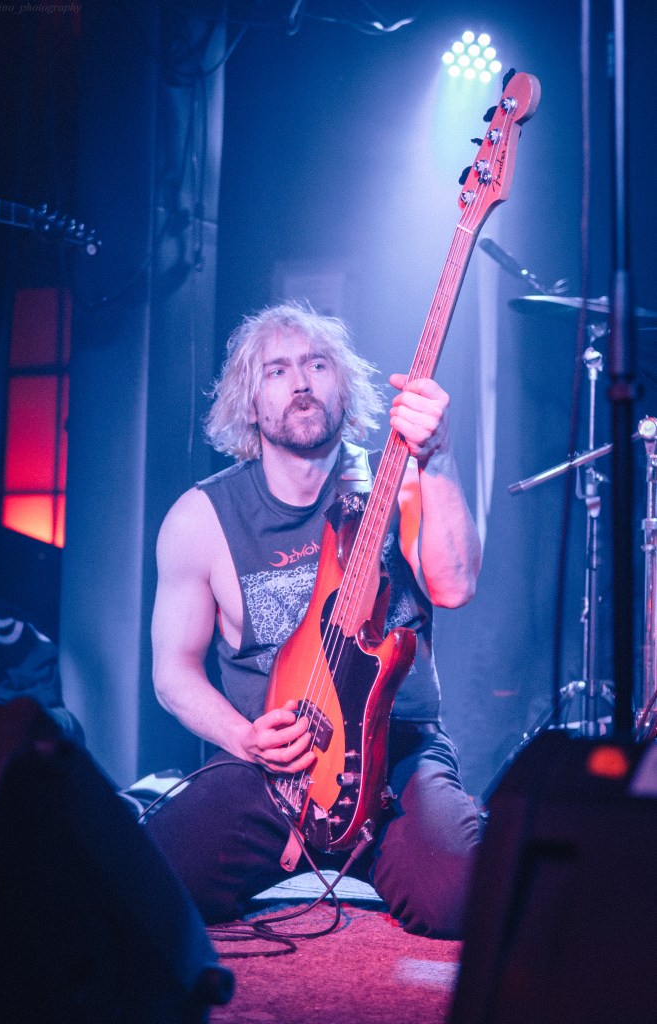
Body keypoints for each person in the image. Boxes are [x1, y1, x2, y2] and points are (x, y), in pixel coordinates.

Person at [145, 302, 482, 938]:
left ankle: (421, 839)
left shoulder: (402, 480)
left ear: (343, 384)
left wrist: (436, 458)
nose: (301, 381)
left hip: (396, 752)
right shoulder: (200, 517)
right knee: (146, 884)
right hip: (272, 767)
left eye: (317, 364)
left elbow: (456, 586)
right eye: (277, 371)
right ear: (250, 402)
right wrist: (244, 738)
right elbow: (173, 672)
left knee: (464, 899)